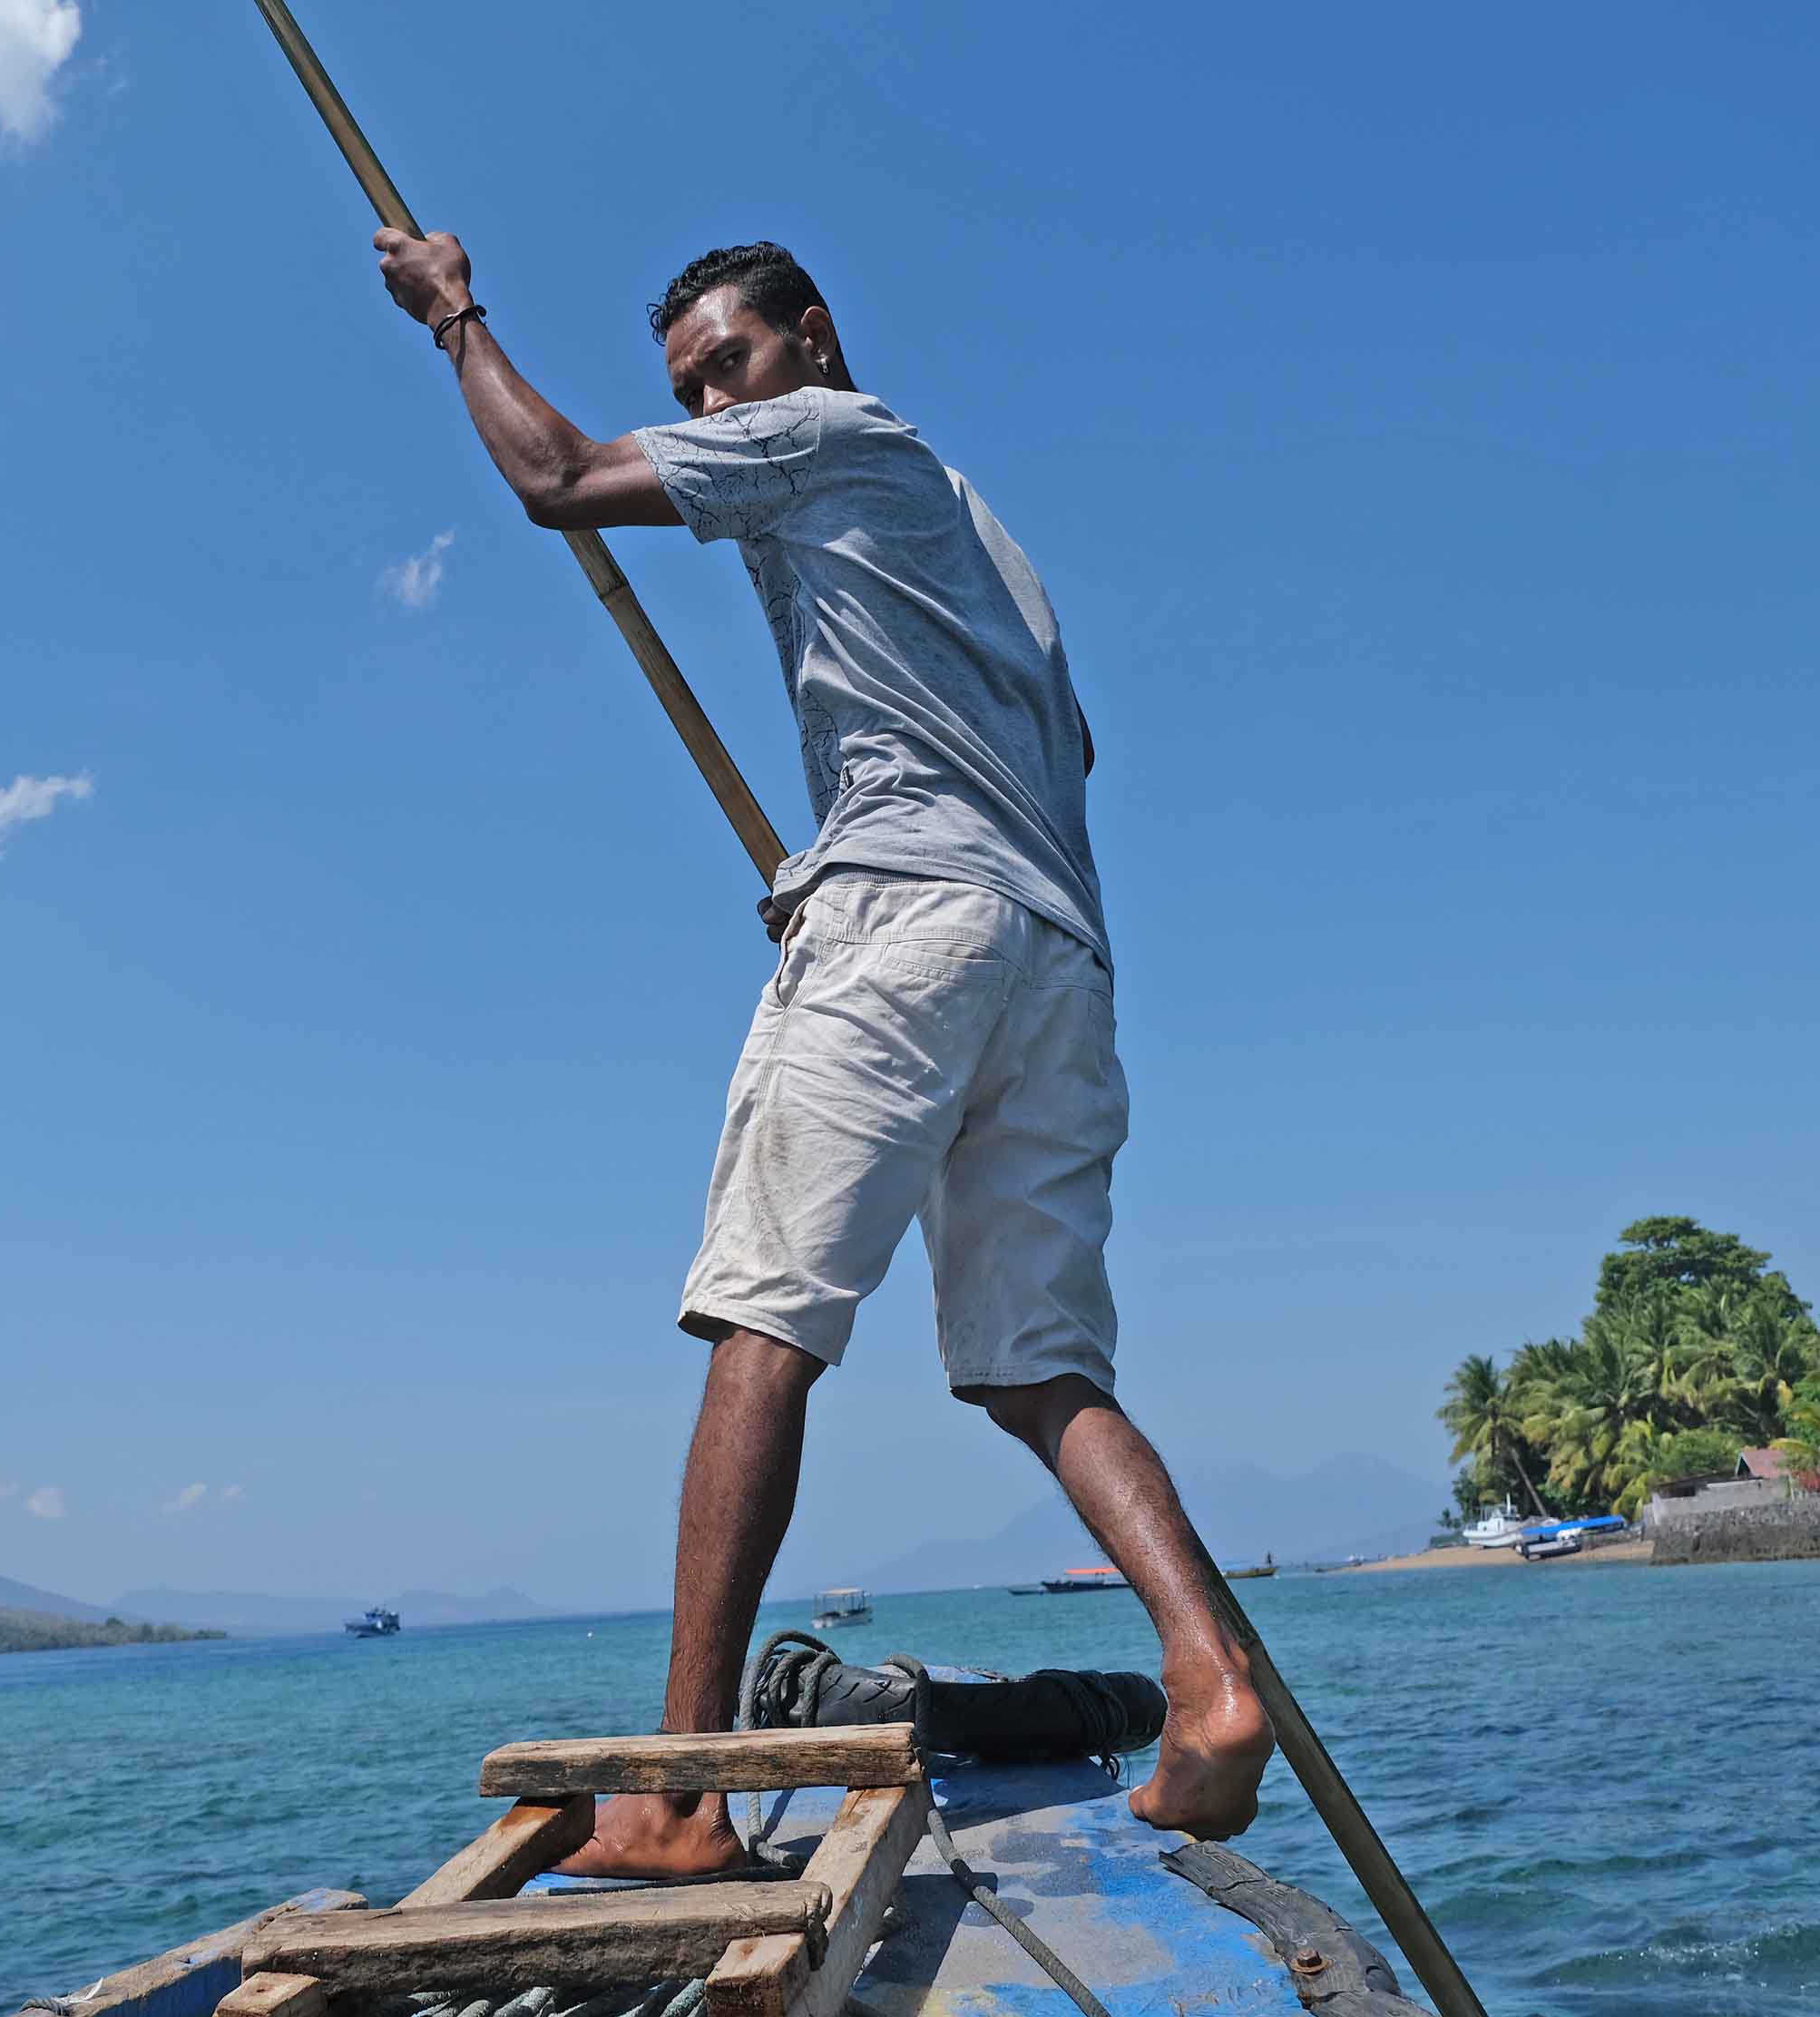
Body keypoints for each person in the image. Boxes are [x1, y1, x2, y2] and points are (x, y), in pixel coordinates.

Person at [369, 229, 1274, 1869]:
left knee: (761, 1314)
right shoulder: (991, 550)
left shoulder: (834, 433)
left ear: (814, 339)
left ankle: (684, 1793)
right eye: (692, 385)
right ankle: (1210, 1680)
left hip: (914, 925)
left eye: (731, 362)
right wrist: (834, 863)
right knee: (1035, 1362)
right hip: (1051, 958)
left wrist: (455, 319)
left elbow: (559, 476)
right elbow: (1033, 755)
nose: (716, 400)